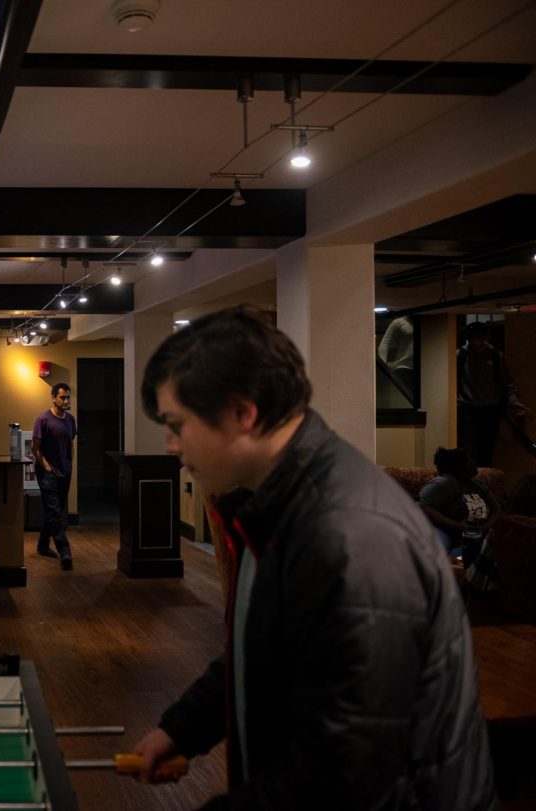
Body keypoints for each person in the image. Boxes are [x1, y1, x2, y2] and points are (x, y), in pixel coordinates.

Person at [130, 306, 494, 809]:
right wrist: (182, 730)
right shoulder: (281, 500)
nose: (170, 445)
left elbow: (348, 766)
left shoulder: (348, 534)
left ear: (242, 413)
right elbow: (264, 646)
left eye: (177, 424)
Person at [457, 320, 529, 466]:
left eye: (479, 337)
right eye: (473, 338)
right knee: (467, 450)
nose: (476, 342)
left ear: (485, 337)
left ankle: (483, 482)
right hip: (467, 408)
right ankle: (469, 482)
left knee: (487, 451)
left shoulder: (495, 356)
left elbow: (506, 383)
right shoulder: (460, 356)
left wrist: (514, 402)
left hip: (490, 408)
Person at [418, 446, 499, 561]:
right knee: (439, 555)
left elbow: (496, 509)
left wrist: (484, 528)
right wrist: (457, 526)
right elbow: (424, 507)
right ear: (460, 465)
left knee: (476, 552)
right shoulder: (445, 483)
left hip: (473, 535)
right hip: (445, 531)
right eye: (470, 460)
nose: (474, 463)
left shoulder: (476, 484)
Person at [32, 382, 76, 571]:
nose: (66, 400)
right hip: (47, 472)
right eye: (62, 397)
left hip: (65, 471)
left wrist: (69, 463)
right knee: (54, 511)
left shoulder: (70, 420)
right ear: (53, 398)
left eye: (68, 397)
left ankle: (42, 545)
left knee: (54, 511)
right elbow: (35, 448)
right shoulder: (43, 419)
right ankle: (65, 551)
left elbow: (70, 444)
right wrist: (47, 467)